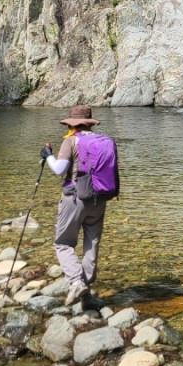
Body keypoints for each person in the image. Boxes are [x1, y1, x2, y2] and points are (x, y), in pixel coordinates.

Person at [40, 104, 109, 307]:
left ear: (72, 124)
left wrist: (48, 155)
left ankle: (76, 283)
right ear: (89, 124)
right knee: (92, 243)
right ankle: (86, 294)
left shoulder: (71, 141)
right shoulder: (102, 141)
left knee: (63, 243)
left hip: (75, 198)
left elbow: (59, 170)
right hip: (99, 199)